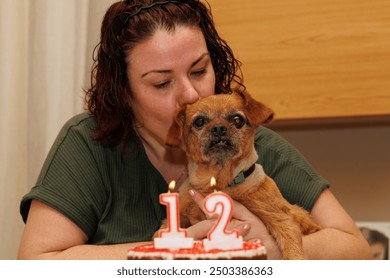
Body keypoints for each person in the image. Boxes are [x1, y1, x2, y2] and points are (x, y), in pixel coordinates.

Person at [17, 0, 371, 260]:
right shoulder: (89, 143)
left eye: (199, 71)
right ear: (124, 93)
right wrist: (165, 253)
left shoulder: (254, 143)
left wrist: (271, 243)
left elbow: (356, 249)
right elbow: (35, 263)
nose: (190, 95)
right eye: (161, 83)